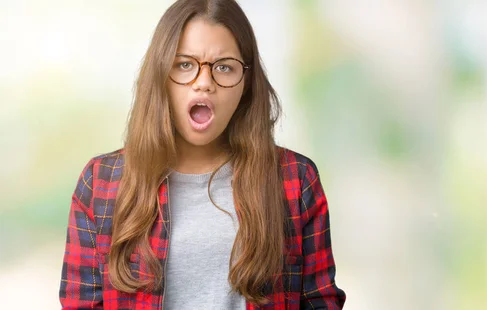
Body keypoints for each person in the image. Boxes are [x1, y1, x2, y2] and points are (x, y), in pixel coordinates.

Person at [58, 0, 345, 309]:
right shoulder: (100, 182)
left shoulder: (295, 179)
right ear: (160, 75)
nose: (204, 82)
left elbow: (320, 302)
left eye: (224, 67)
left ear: (246, 84)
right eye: (184, 64)